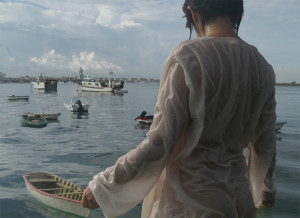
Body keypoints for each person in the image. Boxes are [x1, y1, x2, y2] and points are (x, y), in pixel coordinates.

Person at [81, 0, 276, 217]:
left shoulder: (188, 56)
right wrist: (266, 188)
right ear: (238, 12)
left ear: (193, 13)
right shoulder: (263, 66)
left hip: (187, 203)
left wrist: (104, 186)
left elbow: (159, 144)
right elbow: (265, 141)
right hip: (239, 201)